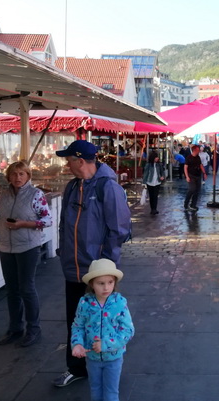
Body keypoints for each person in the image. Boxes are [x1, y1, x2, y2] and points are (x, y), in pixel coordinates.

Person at [53, 140, 132, 388]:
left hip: (96, 272)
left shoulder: (108, 187)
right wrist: (63, 250)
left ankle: (106, 364)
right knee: (76, 321)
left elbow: (119, 229)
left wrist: (104, 266)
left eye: (69, 160)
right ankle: (76, 367)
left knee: (103, 320)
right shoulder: (71, 187)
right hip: (72, 267)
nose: (66, 164)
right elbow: (64, 225)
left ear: (80, 161)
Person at [0, 161, 53, 347]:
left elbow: (47, 220)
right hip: (6, 247)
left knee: (26, 288)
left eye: (22, 174)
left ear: (28, 176)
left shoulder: (36, 195)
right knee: (12, 290)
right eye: (14, 174)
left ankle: (33, 329)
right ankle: (15, 328)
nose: (18, 178)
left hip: (28, 246)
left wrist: (24, 224)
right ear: (8, 177)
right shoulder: (4, 195)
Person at [72, 259, 134, 401]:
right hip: (92, 358)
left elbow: (128, 331)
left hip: (113, 358)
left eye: (110, 282)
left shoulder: (119, 304)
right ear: (92, 284)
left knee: (111, 393)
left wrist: (105, 344)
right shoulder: (85, 304)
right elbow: (78, 326)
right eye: (101, 283)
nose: (106, 287)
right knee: (95, 390)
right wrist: (77, 344)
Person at [184, 145, 207, 212]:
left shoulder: (198, 157)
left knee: (197, 190)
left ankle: (193, 205)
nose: (199, 151)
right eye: (198, 150)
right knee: (192, 189)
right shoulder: (189, 158)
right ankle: (186, 203)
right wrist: (187, 176)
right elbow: (185, 167)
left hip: (198, 175)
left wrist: (204, 173)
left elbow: (200, 165)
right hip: (191, 175)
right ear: (194, 150)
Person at [142, 151, 165, 215]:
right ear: (153, 158)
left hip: (157, 182)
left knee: (155, 196)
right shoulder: (148, 165)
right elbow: (145, 174)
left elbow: (162, 172)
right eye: (156, 157)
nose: (157, 158)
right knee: (151, 196)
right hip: (150, 182)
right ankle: (152, 209)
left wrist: (162, 177)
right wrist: (144, 182)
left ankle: (154, 209)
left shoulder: (159, 164)